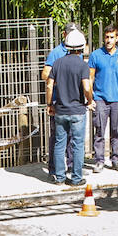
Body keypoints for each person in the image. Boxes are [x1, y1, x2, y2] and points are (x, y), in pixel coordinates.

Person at [46, 28, 93, 186]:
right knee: (78, 144)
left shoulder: (58, 63)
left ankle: (59, 177)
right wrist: (89, 100)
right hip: (77, 110)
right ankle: (76, 178)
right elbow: (86, 87)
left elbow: (49, 86)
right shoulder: (82, 65)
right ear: (81, 47)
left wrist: (49, 104)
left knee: (60, 143)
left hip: (60, 110)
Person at [88, 24, 118, 172]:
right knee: (99, 131)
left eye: (112, 37)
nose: (109, 40)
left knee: (116, 130)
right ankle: (99, 160)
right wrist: (90, 99)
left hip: (117, 99)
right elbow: (90, 77)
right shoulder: (96, 55)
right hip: (100, 98)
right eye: (107, 37)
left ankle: (116, 159)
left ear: (117, 39)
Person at [41, 23, 83, 175]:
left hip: (74, 102)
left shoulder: (78, 52)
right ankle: (54, 169)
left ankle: (72, 166)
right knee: (58, 139)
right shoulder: (56, 53)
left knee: (73, 138)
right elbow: (45, 74)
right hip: (59, 101)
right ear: (64, 35)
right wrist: (62, 81)